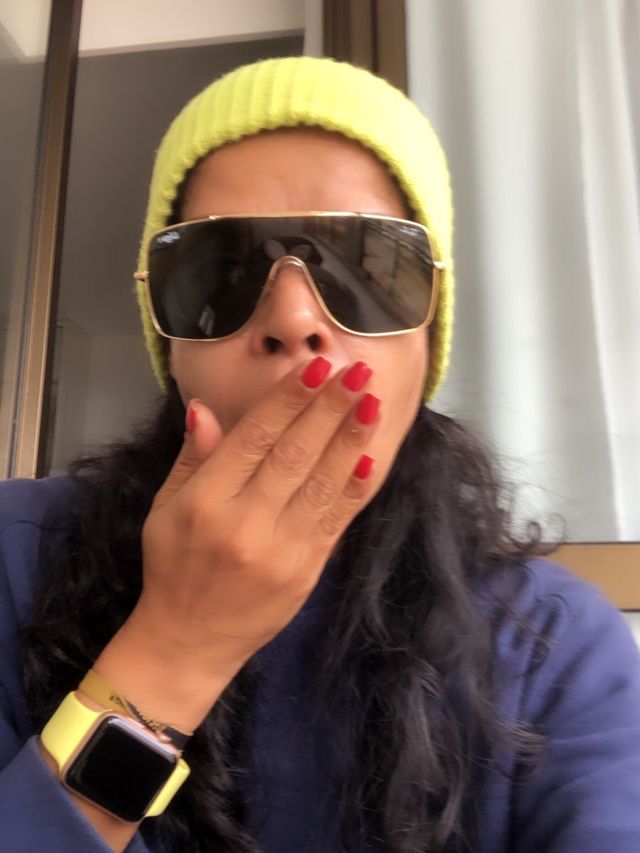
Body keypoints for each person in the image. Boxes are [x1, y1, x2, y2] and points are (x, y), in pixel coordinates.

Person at [0, 55, 639, 853]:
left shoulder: (554, 646)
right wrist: (176, 646)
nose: (294, 317)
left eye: (365, 265)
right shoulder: (16, 558)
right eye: (222, 270)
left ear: (429, 338)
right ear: (169, 343)